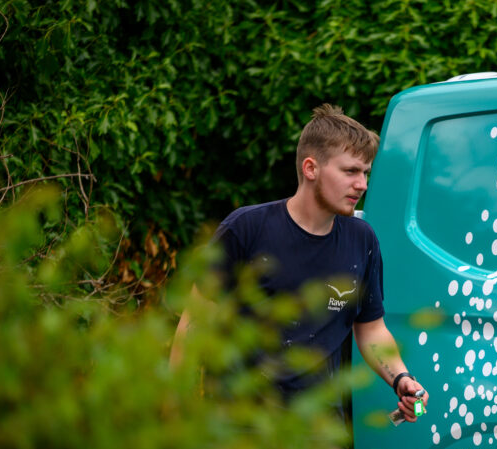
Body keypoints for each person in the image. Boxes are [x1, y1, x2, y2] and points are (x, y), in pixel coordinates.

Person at [171, 104, 427, 424]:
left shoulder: (362, 240)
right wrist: (175, 408)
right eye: (350, 171)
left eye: (365, 173)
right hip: (242, 427)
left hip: (319, 431)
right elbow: (195, 320)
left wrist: (401, 378)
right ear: (311, 168)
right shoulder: (246, 229)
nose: (362, 184)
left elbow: (371, 328)